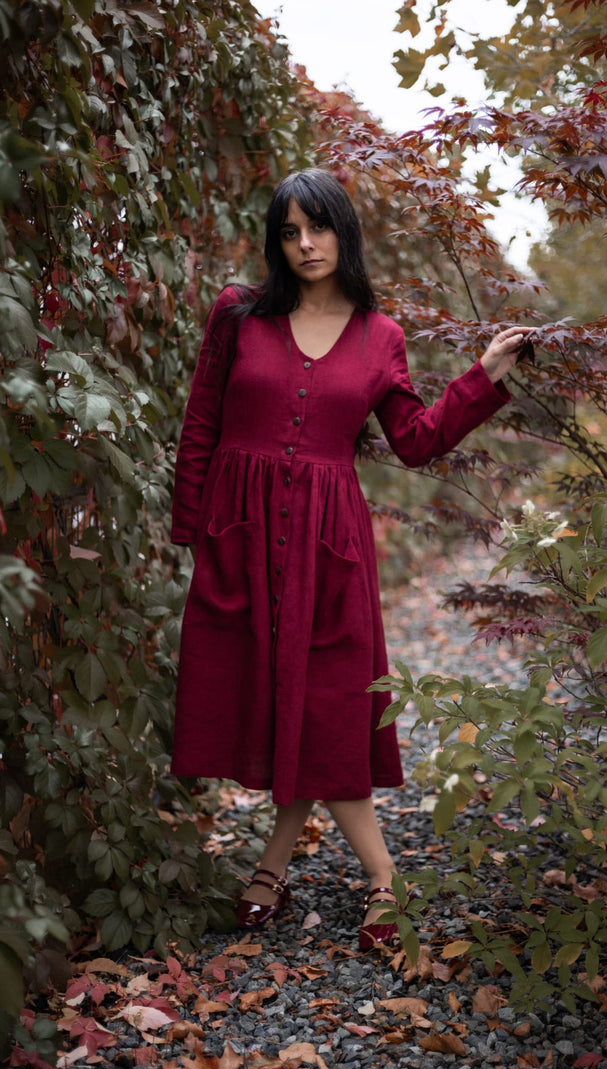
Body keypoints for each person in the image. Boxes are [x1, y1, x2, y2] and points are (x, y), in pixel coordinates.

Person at [170, 167, 530, 951]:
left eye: (320, 227)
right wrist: (195, 535)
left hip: (331, 553)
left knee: (327, 705)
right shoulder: (237, 316)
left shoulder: (381, 336)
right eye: (291, 230)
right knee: (282, 702)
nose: (305, 244)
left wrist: (483, 379)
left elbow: (416, 440)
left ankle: (376, 882)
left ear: (345, 232)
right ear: (277, 240)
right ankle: (285, 865)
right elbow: (200, 427)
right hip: (241, 540)